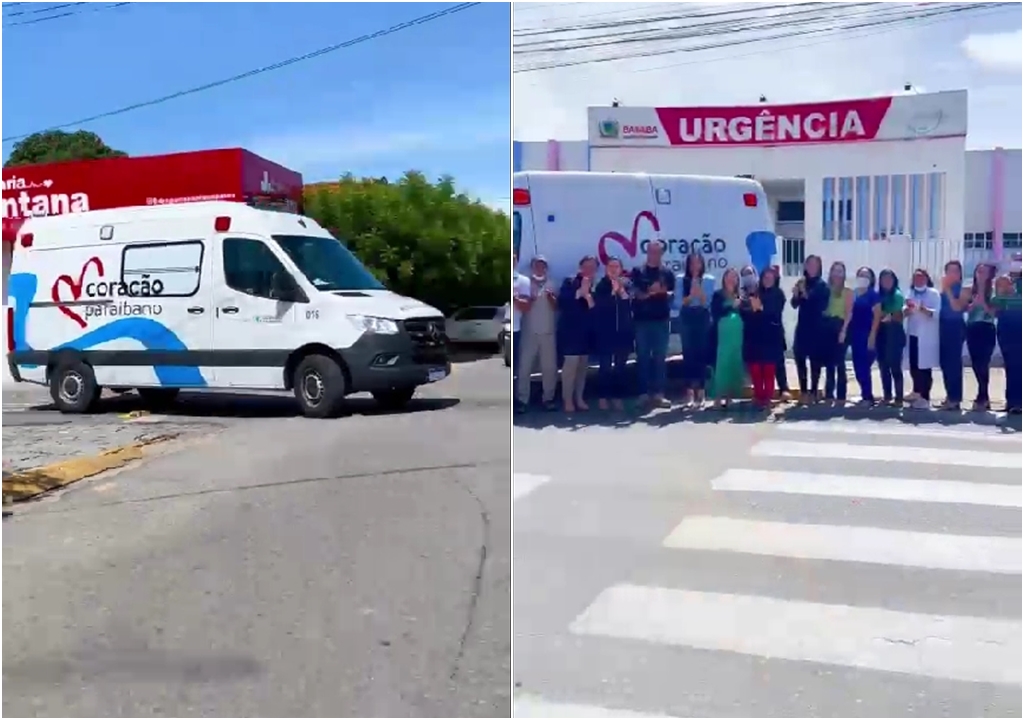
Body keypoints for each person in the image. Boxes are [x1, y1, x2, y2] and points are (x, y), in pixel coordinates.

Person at [630, 241, 676, 409]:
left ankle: (659, 394)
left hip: (662, 320)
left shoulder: (667, 273)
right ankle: (643, 393)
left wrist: (664, 292)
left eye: (658, 252)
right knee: (642, 358)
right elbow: (634, 293)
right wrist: (651, 292)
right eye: (652, 251)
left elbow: (672, 295)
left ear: (662, 254)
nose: (654, 255)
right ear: (647, 252)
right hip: (642, 321)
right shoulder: (638, 272)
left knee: (660, 359)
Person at [516, 256, 559, 412]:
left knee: (549, 368)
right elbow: (522, 306)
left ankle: (548, 398)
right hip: (529, 332)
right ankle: (522, 400)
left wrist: (551, 297)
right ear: (532, 267)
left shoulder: (552, 283)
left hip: (548, 332)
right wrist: (532, 299)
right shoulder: (525, 284)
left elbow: (556, 307)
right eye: (536, 265)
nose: (540, 268)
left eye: (542, 265)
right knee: (524, 367)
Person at [741, 265, 786, 408]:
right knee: (755, 367)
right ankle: (758, 395)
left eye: (770, 278)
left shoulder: (779, 294)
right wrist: (752, 308)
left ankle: (767, 397)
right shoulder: (755, 293)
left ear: (775, 279)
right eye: (765, 277)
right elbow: (746, 311)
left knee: (768, 368)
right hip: (754, 336)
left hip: (771, 336)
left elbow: (774, 312)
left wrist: (760, 309)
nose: (767, 280)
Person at [558, 256, 598, 413]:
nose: (589, 270)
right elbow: (562, 302)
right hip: (570, 332)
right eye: (586, 266)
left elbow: (596, 309)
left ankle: (579, 398)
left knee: (582, 368)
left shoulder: (596, 285)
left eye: (593, 267)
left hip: (586, 333)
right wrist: (579, 293)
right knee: (570, 369)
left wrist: (589, 297)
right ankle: (567, 400)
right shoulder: (569, 281)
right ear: (580, 267)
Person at [593, 256, 634, 411]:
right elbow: (599, 305)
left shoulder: (627, 283)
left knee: (620, 367)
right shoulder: (601, 285)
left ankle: (618, 397)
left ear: (621, 269)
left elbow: (630, 301)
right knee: (604, 367)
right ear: (606, 269)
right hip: (605, 332)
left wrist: (621, 290)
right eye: (611, 266)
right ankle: (603, 397)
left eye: (616, 266)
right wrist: (612, 292)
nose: (613, 269)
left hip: (623, 332)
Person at [790, 255, 829, 402]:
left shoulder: (822, 286)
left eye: (815, 265)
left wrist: (804, 293)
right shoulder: (802, 283)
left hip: (817, 328)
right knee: (799, 359)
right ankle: (804, 391)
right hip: (802, 327)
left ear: (819, 267)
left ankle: (813, 391)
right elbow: (795, 304)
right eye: (809, 264)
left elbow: (819, 305)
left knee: (815, 362)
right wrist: (796, 294)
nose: (812, 267)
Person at [678, 252, 715, 407]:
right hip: (687, 315)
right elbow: (678, 302)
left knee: (701, 353)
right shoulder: (681, 279)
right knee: (688, 354)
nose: (695, 266)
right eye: (692, 263)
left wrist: (699, 293)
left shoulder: (708, 279)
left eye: (698, 263)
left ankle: (701, 391)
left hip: (702, 315)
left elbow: (707, 303)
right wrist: (689, 295)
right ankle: (689, 392)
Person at [905, 268, 941, 410]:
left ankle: (925, 397)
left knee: (924, 368)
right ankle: (916, 392)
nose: (918, 280)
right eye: (915, 278)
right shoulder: (910, 292)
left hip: (926, 336)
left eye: (921, 277)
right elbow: (905, 310)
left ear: (927, 279)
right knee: (914, 366)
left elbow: (936, 313)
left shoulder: (933, 293)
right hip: (913, 334)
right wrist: (906, 310)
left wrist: (922, 308)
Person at [709, 268, 745, 409]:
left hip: (737, 336)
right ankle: (717, 398)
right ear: (724, 279)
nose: (731, 280)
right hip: (722, 336)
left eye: (734, 277)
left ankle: (730, 398)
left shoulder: (740, 296)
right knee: (721, 366)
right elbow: (716, 312)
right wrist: (731, 306)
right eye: (729, 277)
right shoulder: (718, 295)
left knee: (733, 365)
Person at [964, 263, 997, 411]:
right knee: (976, 364)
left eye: (984, 272)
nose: (981, 274)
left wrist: (982, 302)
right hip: (972, 328)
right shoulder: (970, 290)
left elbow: (993, 313)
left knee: (984, 363)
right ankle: (982, 395)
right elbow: (965, 310)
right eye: (979, 271)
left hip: (986, 328)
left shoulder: (994, 291)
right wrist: (971, 305)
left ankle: (983, 396)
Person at [938, 260, 969, 410]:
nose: (952, 274)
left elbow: (957, 307)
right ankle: (949, 395)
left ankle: (955, 398)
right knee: (944, 363)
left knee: (954, 363)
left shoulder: (963, 288)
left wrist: (948, 290)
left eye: (956, 271)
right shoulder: (942, 289)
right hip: (942, 325)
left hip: (956, 327)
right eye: (949, 271)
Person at [848, 266, 881, 405]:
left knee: (864, 367)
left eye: (866, 276)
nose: (863, 278)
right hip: (855, 334)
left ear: (872, 279)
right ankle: (864, 394)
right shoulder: (854, 293)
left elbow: (877, 316)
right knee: (857, 366)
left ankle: (868, 397)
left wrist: (872, 335)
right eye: (861, 275)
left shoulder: (873, 295)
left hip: (867, 335)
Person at [822, 261, 853, 406]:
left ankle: (841, 395)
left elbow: (848, 313)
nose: (837, 274)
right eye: (835, 271)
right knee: (829, 363)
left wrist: (844, 331)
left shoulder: (848, 292)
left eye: (840, 271)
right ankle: (829, 394)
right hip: (827, 326)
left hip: (841, 326)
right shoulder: (826, 290)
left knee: (840, 363)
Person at [992, 269, 1022, 414]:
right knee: (1010, 367)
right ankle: (1012, 402)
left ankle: (1017, 402)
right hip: (1006, 332)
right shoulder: (1003, 294)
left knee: (1018, 367)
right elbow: (995, 308)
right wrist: (1002, 289)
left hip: (1019, 331)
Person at [876, 269, 907, 406]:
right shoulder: (879, 295)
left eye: (889, 279)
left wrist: (885, 315)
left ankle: (899, 398)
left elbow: (895, 314)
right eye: (883, 279)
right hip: (881, 333)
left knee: (895, 366)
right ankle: (887, 396)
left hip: (894, 333)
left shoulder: (897, 295)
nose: (886, 282)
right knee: (883, 366)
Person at [510, 252, 530, 387]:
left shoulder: (523, 281)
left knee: (514, 367)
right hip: (498, 327)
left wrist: (515, 298)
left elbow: (526, 307)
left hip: (514, 329)